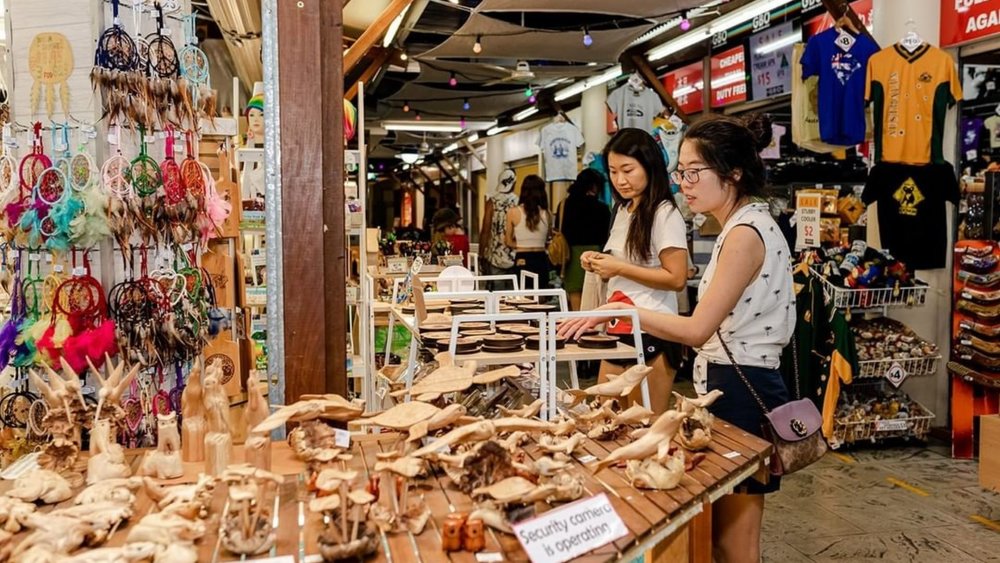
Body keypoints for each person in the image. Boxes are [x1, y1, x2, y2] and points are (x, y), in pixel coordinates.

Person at [560, 114, 795, 563]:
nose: (683, 183)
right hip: (731, 381)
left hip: (743, 389)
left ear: (733, 173)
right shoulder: (740, 226)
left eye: (693, 172)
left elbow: (696, 329)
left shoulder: (745, 233)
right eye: (680, 172)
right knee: (722, 537)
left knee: (734, 543)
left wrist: (625, 310)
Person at [578, 128, 688, 415]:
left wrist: (619, 266)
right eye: (613, 171)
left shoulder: (665, 213)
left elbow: (676, 278)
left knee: (645, 426)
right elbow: (622, 269)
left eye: (628, 170)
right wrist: (600, 264)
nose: (620, 180)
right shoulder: (623, 210)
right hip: (619, 327)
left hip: (655, 330)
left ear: (649, 166)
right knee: (606, 418)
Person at [557, 169, 611, 310]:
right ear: (594, 186)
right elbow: (607, 234)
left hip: (571, 254)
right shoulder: (602, 208)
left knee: (575, 291)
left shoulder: (564, 205)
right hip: (596, 253)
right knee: (595, 293)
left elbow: (559, 229)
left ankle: (577, 323)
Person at [504, 175, 551, 289]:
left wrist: (521, 244)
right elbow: (548, 238)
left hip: (522, 257)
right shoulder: (547, 213)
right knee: (540, 295)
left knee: (524, 295)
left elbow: (508, 241)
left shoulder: (513, 212)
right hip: (541, 257)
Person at [478, 169, 519, 290]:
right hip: (514, 254)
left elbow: (485, 230)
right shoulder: (518, 202)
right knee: (514, 294)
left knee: (497, 295)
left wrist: (481, 253)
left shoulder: (492, 201)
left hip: (495, 256)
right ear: (514, 183)